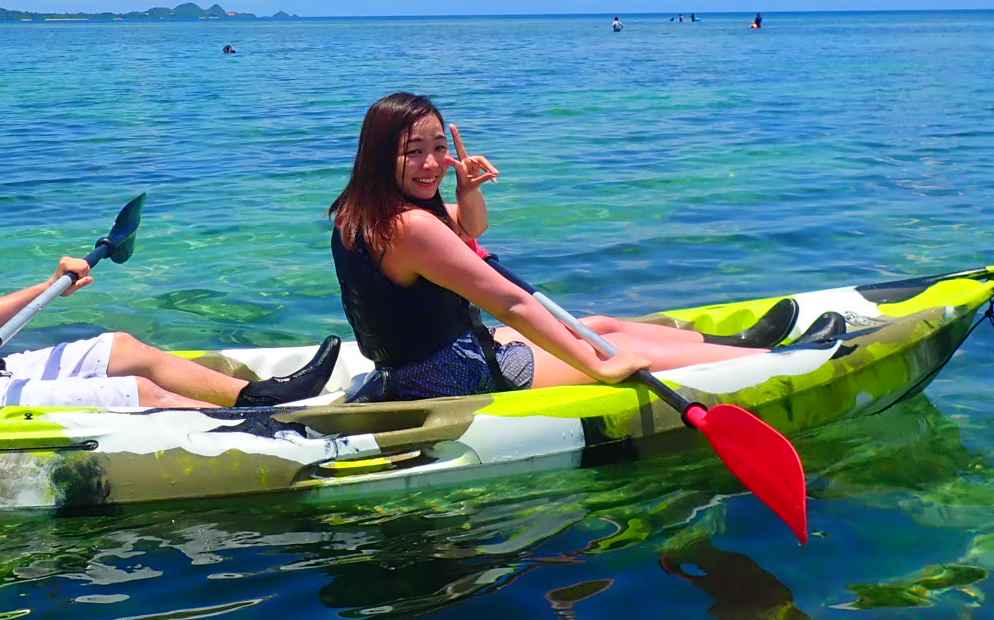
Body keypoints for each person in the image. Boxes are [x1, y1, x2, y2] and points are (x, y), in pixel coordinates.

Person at [0, 86, 340, 413]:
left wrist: (47, 287)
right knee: (138, 391)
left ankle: (258, 399)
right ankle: (255, 432)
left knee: (126, 348)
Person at [328, 93, 810, 402]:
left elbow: (469, 231)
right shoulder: (411, 227)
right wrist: (600, 364)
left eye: (439, 147)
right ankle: (776, 366)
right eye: (413, 151)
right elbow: (512, 302)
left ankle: (741, 344)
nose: (432, 163)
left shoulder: (362, 212)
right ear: (380, 155)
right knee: (612, 345)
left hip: (423, 360)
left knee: (599, 324)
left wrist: (467, 191)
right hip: (452, 374)